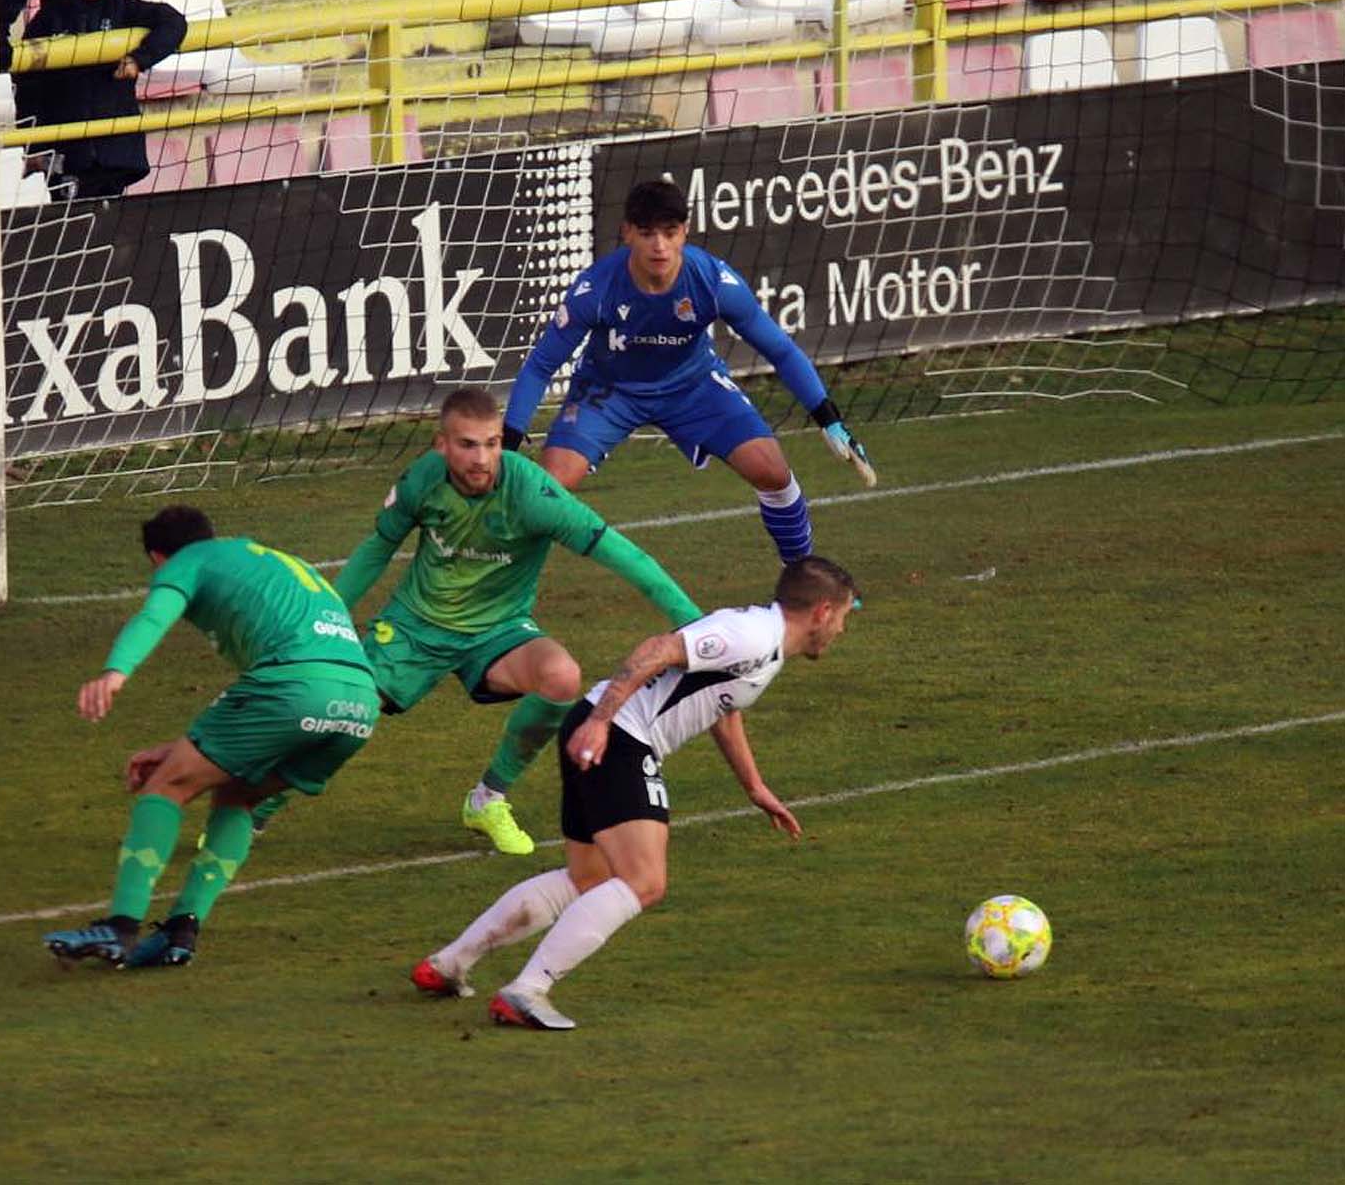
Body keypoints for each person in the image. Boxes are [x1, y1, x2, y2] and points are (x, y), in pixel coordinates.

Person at [411, 554, 861, 1030]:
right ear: (823, 611)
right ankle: (527, 990)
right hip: (618, 738)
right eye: (845, 617)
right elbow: (658, 649)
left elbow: (722, 707)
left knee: (589, 880)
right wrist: (603, 723)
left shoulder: (763, 645)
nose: (841, 631)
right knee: (645, 882)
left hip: (591, 728)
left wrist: (754, 786)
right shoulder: (751, 635)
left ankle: (449, 964)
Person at [255, 387, 702, 856]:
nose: (483, 458)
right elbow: (374, 552)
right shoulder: (422, 481)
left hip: (498, 631)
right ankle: (257, 807)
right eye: (468, 444)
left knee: (562, 677)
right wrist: (322, 623)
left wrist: (692, 624)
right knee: (345, 713)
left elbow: (623, 555)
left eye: (491, 443)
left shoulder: (533, 493)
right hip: (413, 629)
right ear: (441, 444)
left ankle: (488, 799)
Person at [43, 505, 381, 970]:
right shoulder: (272, 560)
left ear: (159, 558)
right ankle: (182, 930)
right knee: (237, 795)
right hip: (359, 703)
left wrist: (114, 673)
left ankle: (120, 926)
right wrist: (181, 748)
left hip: (292, 686)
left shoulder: (189, 560)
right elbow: (253, 718)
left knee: (166, 785)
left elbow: (154, 616)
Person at [502, 178, 877, 565]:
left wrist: (828, 418)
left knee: (772, 470)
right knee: (546, 490)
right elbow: (541, 366)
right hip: (609, 389)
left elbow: (779, 349)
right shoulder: (594, 289)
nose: (659, 246)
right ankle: (497, 591)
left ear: (685, 231)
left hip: (693, 386)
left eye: (669, 232)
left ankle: (802, 578)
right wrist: (509, 441)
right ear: (628, 232)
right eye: (647, 234)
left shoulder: (713, 281)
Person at [13, 0, 186, 200]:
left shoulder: (123, 9)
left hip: (116, 151)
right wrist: (34, 145)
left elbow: (174, 22)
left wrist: (138, 60)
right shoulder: (47, 21)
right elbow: (27, 88)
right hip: (67, 152)